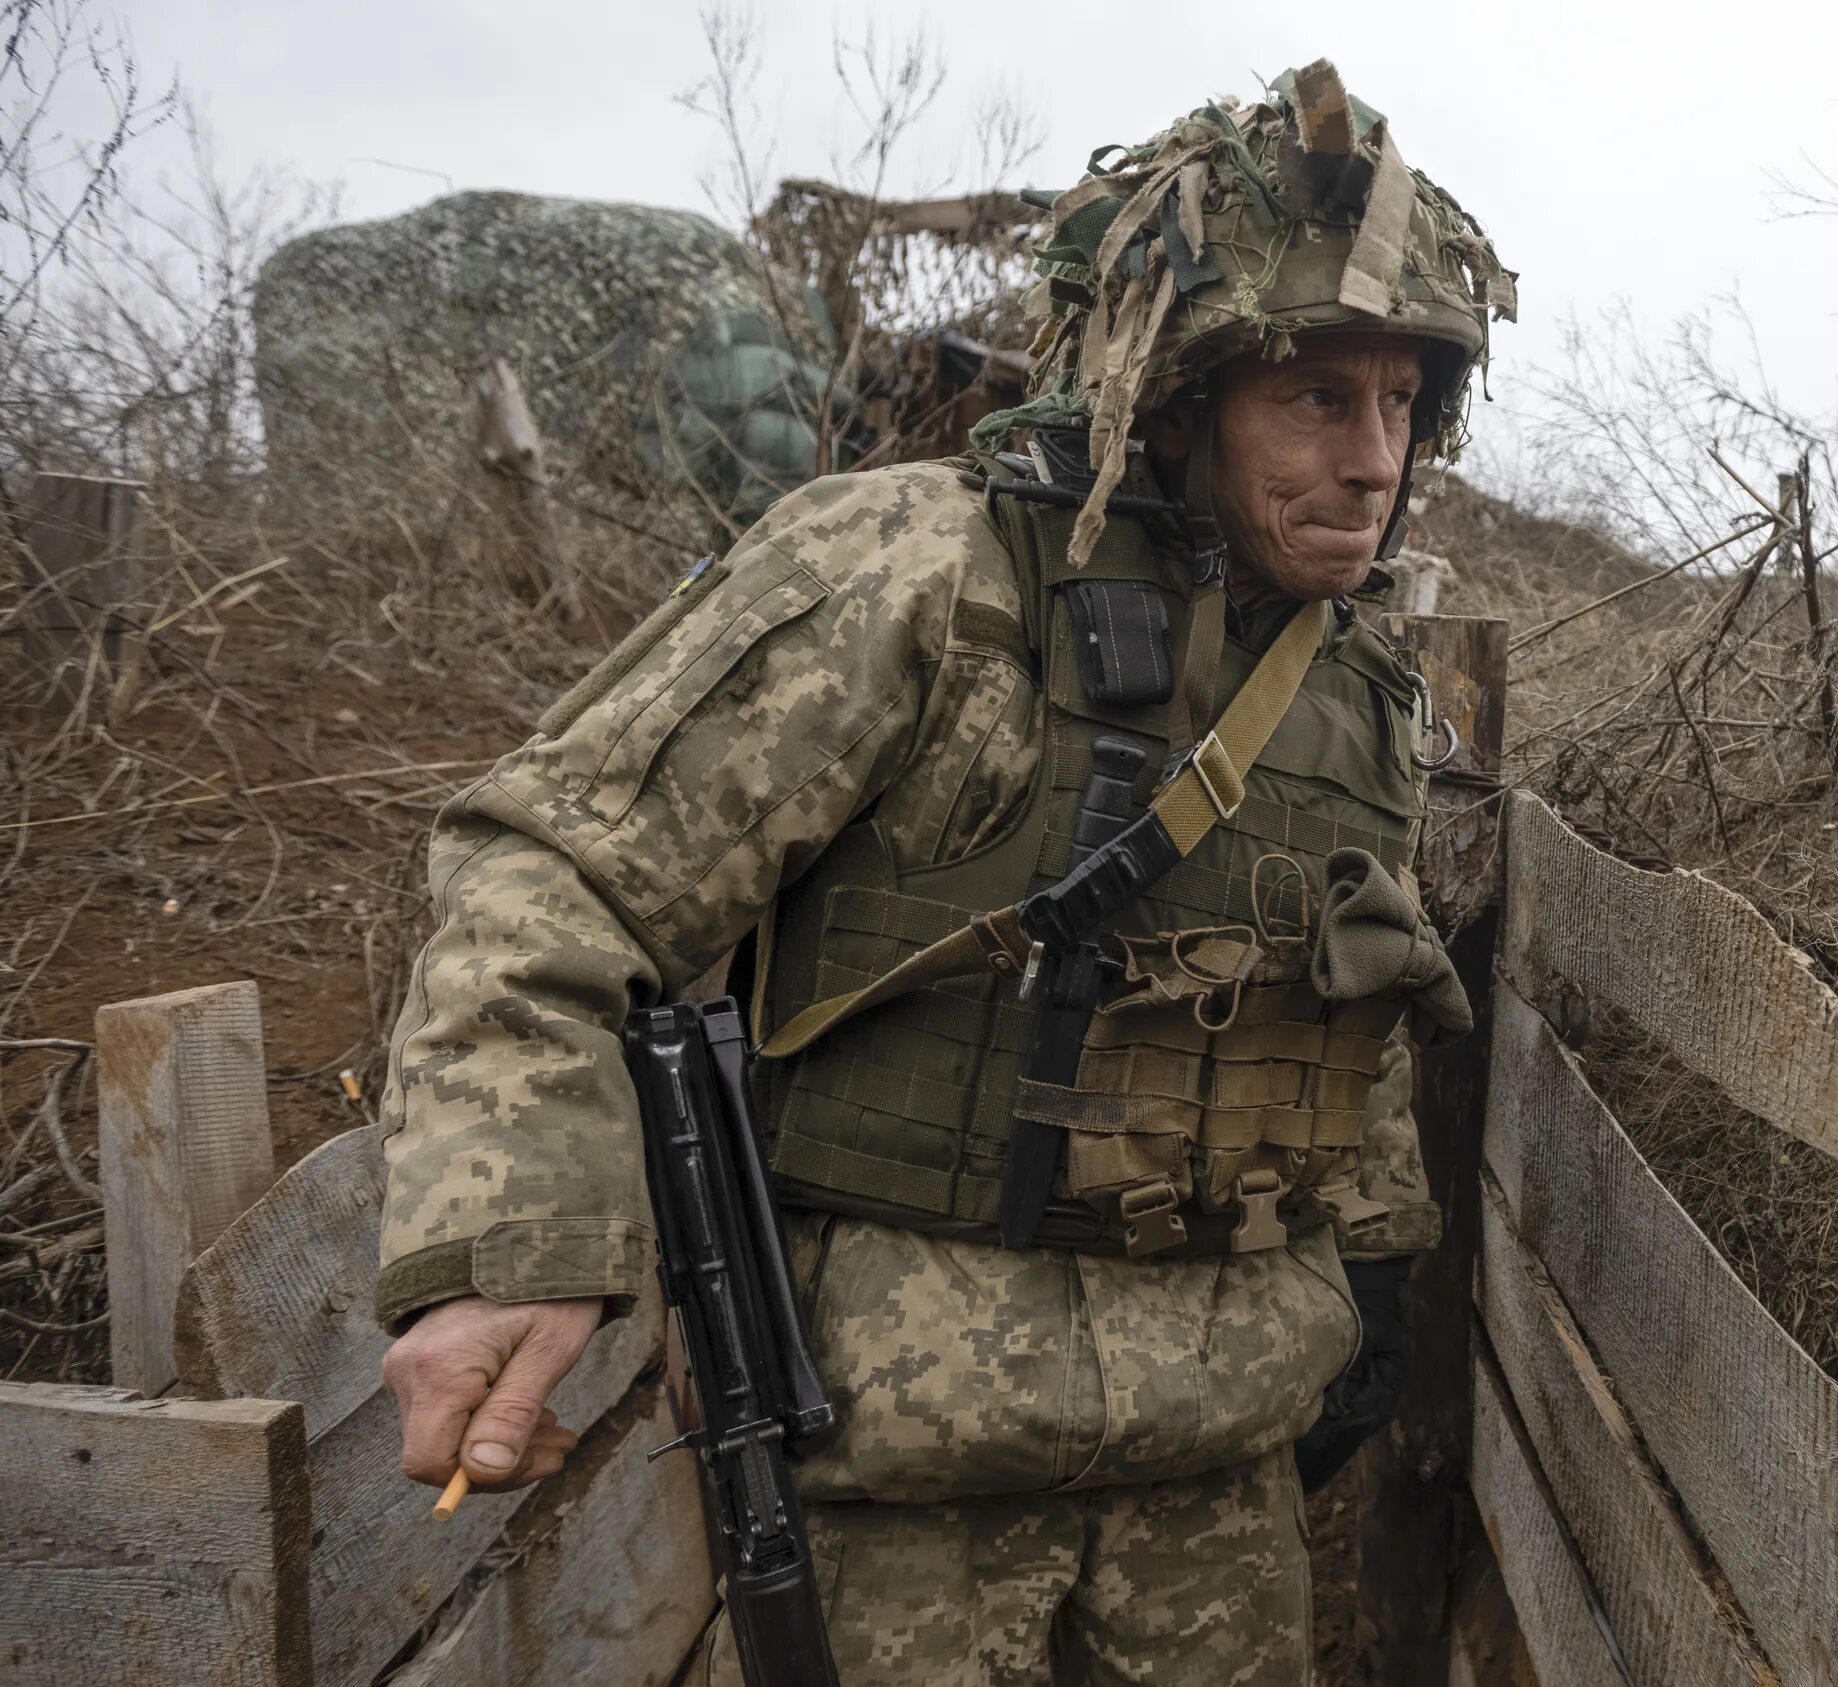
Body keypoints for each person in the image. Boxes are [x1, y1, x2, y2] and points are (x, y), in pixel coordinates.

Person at [373, 61, 1513, 1685]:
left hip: (1218, 1482)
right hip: (894, 1477)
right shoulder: (916, 575)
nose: (1372, 461)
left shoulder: (1351, 688)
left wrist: (1366, 1281)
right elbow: (554, 877)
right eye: (1318, 400)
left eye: (1402, 403)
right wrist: (506, 1255)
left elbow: (1345, 1013)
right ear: (1179, 393)